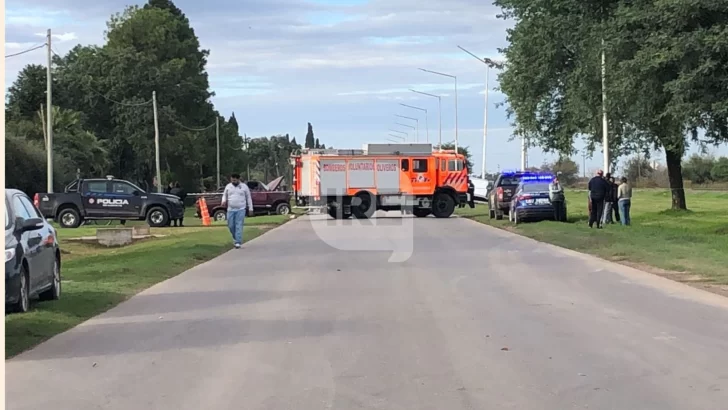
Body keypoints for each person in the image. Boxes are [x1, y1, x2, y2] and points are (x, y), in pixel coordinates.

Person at [221, 173, 254, 249]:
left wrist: (250, 208)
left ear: (238, 179)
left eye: (235, 180)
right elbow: (224, 195)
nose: (233, 181)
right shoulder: (228, 186)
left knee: (239, 225)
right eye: (232, 180)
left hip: (241, 209)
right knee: (231, 225)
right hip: (230, 209)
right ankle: (235, 238)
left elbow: (248, 198)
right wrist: (223, 201)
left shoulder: (244, 187)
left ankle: (238, 242)